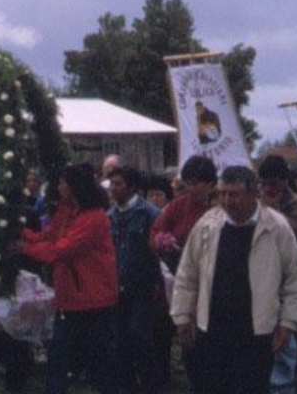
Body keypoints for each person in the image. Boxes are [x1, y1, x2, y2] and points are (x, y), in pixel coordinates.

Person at [171, 165, 297, 394]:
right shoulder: (207, 224)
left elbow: (295, 278)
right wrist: (183, 316)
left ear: (254, 194)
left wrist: (287, 324)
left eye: (234, 194)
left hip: (257, 330)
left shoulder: (276, 227)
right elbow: (187, 274)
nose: (226, 200)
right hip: (212, 327)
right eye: (222, 193)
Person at [14, 162, 119, 394]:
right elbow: (48, 236)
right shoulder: (67, 210)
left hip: (93, 300)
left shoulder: (94, 217)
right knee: (60, 356)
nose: (58, 186)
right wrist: (22, 233)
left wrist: (25, 247)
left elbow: (61, 249)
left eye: (63, 182)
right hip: (70, 298)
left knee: (98, 359)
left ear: (75, 186)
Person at [257, 155, 297, 393]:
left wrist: (273, 214)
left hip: (292, 277)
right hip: (263, 276)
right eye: (264, 183)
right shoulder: (256, 202)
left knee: (292, 335)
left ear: (284, 182)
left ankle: (295, 376)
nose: (268, 188)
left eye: (273, 183)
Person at [106, 165, 163, 392]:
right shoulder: (109, 216)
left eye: (118, 184)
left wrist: (158, 283)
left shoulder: (150, 214)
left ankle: (150, 383)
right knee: (118, 341)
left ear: (132, 187)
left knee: (140, 338)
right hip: (116, 289)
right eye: (111, 184)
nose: (113, 189)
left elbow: (159, 253)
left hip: (143, 289)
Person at [149, 155, 217, 274]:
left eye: (195, 184)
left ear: (210, 184)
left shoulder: (224, 205)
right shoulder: (178, 205)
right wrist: (165, 246)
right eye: (187, 183)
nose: (190, 188)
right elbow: (156, 233)